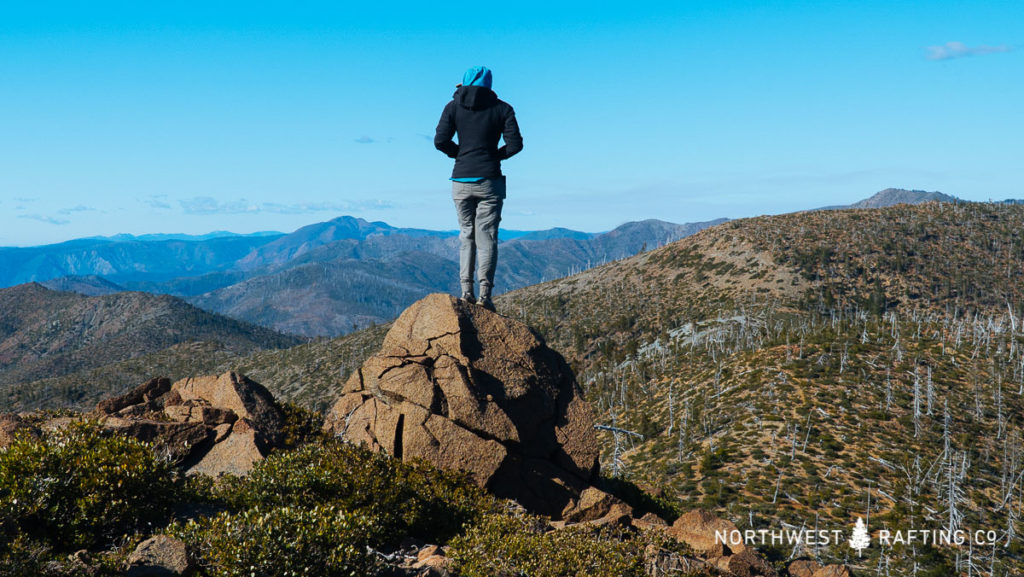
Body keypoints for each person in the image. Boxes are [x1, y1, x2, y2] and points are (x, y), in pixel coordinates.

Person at [434, 66, 523, 311]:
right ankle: (484, 296)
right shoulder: (503, 109)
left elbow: (440, 141)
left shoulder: (452, 106)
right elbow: (515, 145)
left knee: (466, 236)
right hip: (490, 181)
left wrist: (460, 155)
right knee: (487, 238)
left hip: (461, 180)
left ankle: (466, 292)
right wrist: (493, 157)